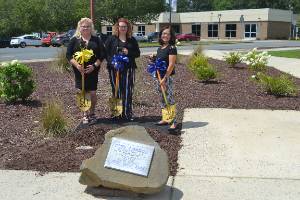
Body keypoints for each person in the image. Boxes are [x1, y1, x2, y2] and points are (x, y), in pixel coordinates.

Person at [66, 17, 105, 124]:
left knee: (92, 93)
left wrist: (94, 66)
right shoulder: (74, 40)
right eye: (83, 26)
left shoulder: (96, 40)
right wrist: (77, 65)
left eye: (88, 26)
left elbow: (102, 55)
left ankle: (92, 113)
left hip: (92, 70)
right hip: (79, 71)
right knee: (82, 92)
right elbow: (68, 55)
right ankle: (84, 114)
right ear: (80, 27)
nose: (86, 28)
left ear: (91, 27)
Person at [105, 18, 140, 121]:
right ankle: (116, 113)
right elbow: (106, 53)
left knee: (128, 90)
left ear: (128, 28)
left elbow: (137, 53)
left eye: (125, 26)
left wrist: (128, 52)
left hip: (129, 69)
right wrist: (112, 62)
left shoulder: (132, 40)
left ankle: (127, 113)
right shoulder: (111, 39)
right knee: (116, 90)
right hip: (114, 69)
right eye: (121, 26)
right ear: (117, 27)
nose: (123, 28)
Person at [152, 26, 177, 131]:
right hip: (159, 76)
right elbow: (159, 62)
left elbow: (171, 65)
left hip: (167, 77)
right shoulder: (160, 48)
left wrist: (165, 79)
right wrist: (153, 58)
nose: (165, 35)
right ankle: (165, 118)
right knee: (162, 97)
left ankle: (173, 121)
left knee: (169, 97)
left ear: (171, 36)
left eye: (167, 34)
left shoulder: (171, 48)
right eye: (163, 33)